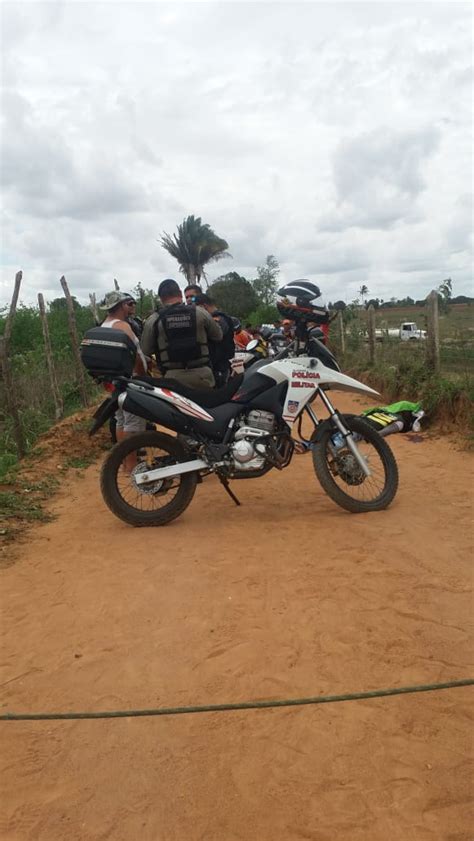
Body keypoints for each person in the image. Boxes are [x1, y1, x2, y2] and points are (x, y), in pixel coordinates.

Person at [141, 278, 223, 388]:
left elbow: (145, 351)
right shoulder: (200, 312)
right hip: (203, 377)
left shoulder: (153, 320)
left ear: (160, 298)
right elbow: (218, 336)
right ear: (180, 293)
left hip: (172, 379)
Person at [99, 291, 148, 468]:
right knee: (133, 422)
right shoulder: (122, 326)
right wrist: (143, 374)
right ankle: (132, 464)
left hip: (112, 381)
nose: (130, 307)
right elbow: (137, 355)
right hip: (129, 380)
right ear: (120, 306)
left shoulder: (103, 326)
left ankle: (126, 463)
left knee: (121, 420)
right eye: (127, 304)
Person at [194, 293, 235, 387]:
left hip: (220, 366)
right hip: (214, 366)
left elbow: (215, 335)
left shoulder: (219, 319)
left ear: (204, 306)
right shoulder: (214, 318)